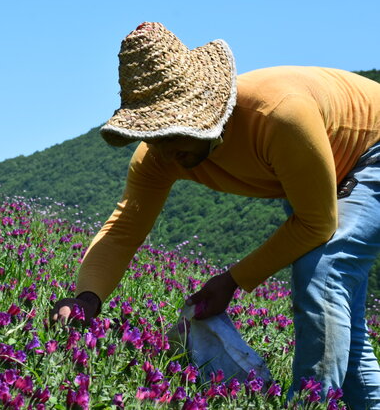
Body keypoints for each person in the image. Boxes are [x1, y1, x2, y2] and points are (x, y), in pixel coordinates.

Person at [49, 22, 380, 408]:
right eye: (154, 136)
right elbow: (123, 230)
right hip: (317, 165)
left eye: (173, 133)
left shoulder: (279, 117)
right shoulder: (161, 154)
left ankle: (309, 404)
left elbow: (315, 223)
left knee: (321, 274)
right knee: (341, 320)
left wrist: (232, 281)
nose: (167, 153)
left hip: (370, 146)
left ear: (205, 114)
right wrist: (88, 297)